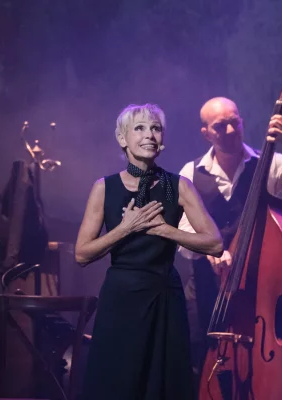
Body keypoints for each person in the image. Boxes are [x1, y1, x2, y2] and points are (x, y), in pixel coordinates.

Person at [75, 103, 223, 400]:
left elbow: (215, 243)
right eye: (140, 128)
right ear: (122, 138)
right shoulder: (104, 187)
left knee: (164, 383)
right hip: (122, 297)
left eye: (155, 128)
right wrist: (126, 228)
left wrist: (165, 230)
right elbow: (82, 254)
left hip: (163, 295)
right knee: (117, 381)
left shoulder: (178, 186)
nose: (149, 135)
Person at [177, 96, 282, 377]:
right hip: (206, 291)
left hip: (257, 292)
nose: (230, 131)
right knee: (199, 366)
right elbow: (184, 231)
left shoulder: (269, 164)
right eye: (220, 126)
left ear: (242, 122)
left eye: (234, 123)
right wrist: (211, 250)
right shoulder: (190, 172)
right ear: (206, 133)